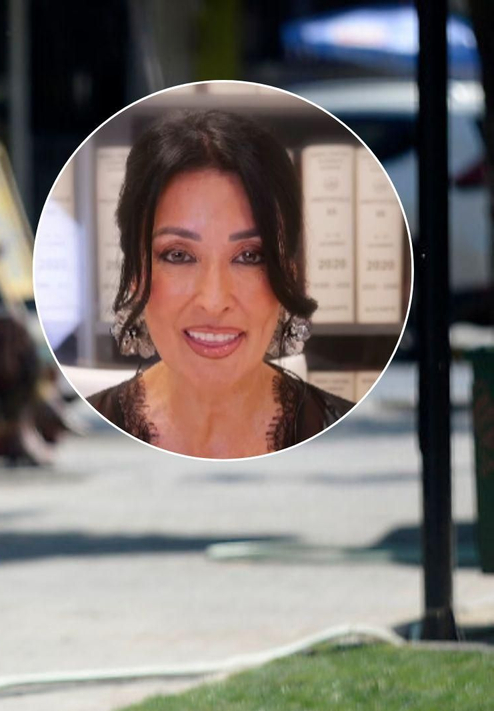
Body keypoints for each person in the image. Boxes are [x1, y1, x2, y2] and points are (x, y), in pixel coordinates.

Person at [86, 110, 354, 458]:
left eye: (249, 256)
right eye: (179, 255)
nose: (213, 301)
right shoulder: (93, 432)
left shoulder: (336, 428)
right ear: (136, 273)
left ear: (287, 272)